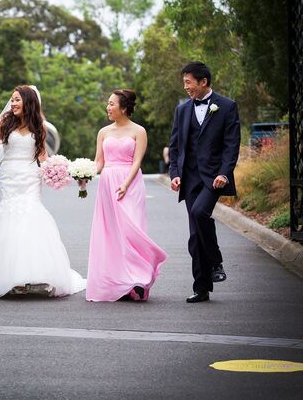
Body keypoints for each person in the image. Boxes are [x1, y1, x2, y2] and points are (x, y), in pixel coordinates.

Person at [0, 85, 86, 298]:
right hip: (8, 176)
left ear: (28, 102)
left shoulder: (40, 127)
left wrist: (67, 172)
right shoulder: (5, 122)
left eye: (17, 99)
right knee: (8, 220)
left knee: (30, 219)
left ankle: (34, 275)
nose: (13, 103)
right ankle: (9, 277)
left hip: (30, 178)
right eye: (12, 100)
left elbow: (44, 158)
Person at [84, 89, 168, 302]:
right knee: (112, 234)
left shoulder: (139, 131)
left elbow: (137, 161)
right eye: (108, 103)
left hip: (130, 184)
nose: (108, 107)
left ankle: (139, 280)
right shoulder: (103, 132)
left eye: (112, 104)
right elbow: (99, 162)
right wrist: (84, 175)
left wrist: (125, 184)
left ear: (123, 108)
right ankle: (119, 281)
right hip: (107, 184)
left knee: (132, 231)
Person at [169, 62, 240, 303]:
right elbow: (176, 145)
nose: (185, 87)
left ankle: (216, 261)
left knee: (200, 213)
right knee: (195, 234)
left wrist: (224, 173)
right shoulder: (182, 110)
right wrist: (174, 173)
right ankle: (202, 287)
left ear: (203, 82)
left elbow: (232, 145)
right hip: (189, 178)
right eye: (184, 83)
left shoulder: (227, 106)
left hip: (213, 178)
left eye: (188, 82)